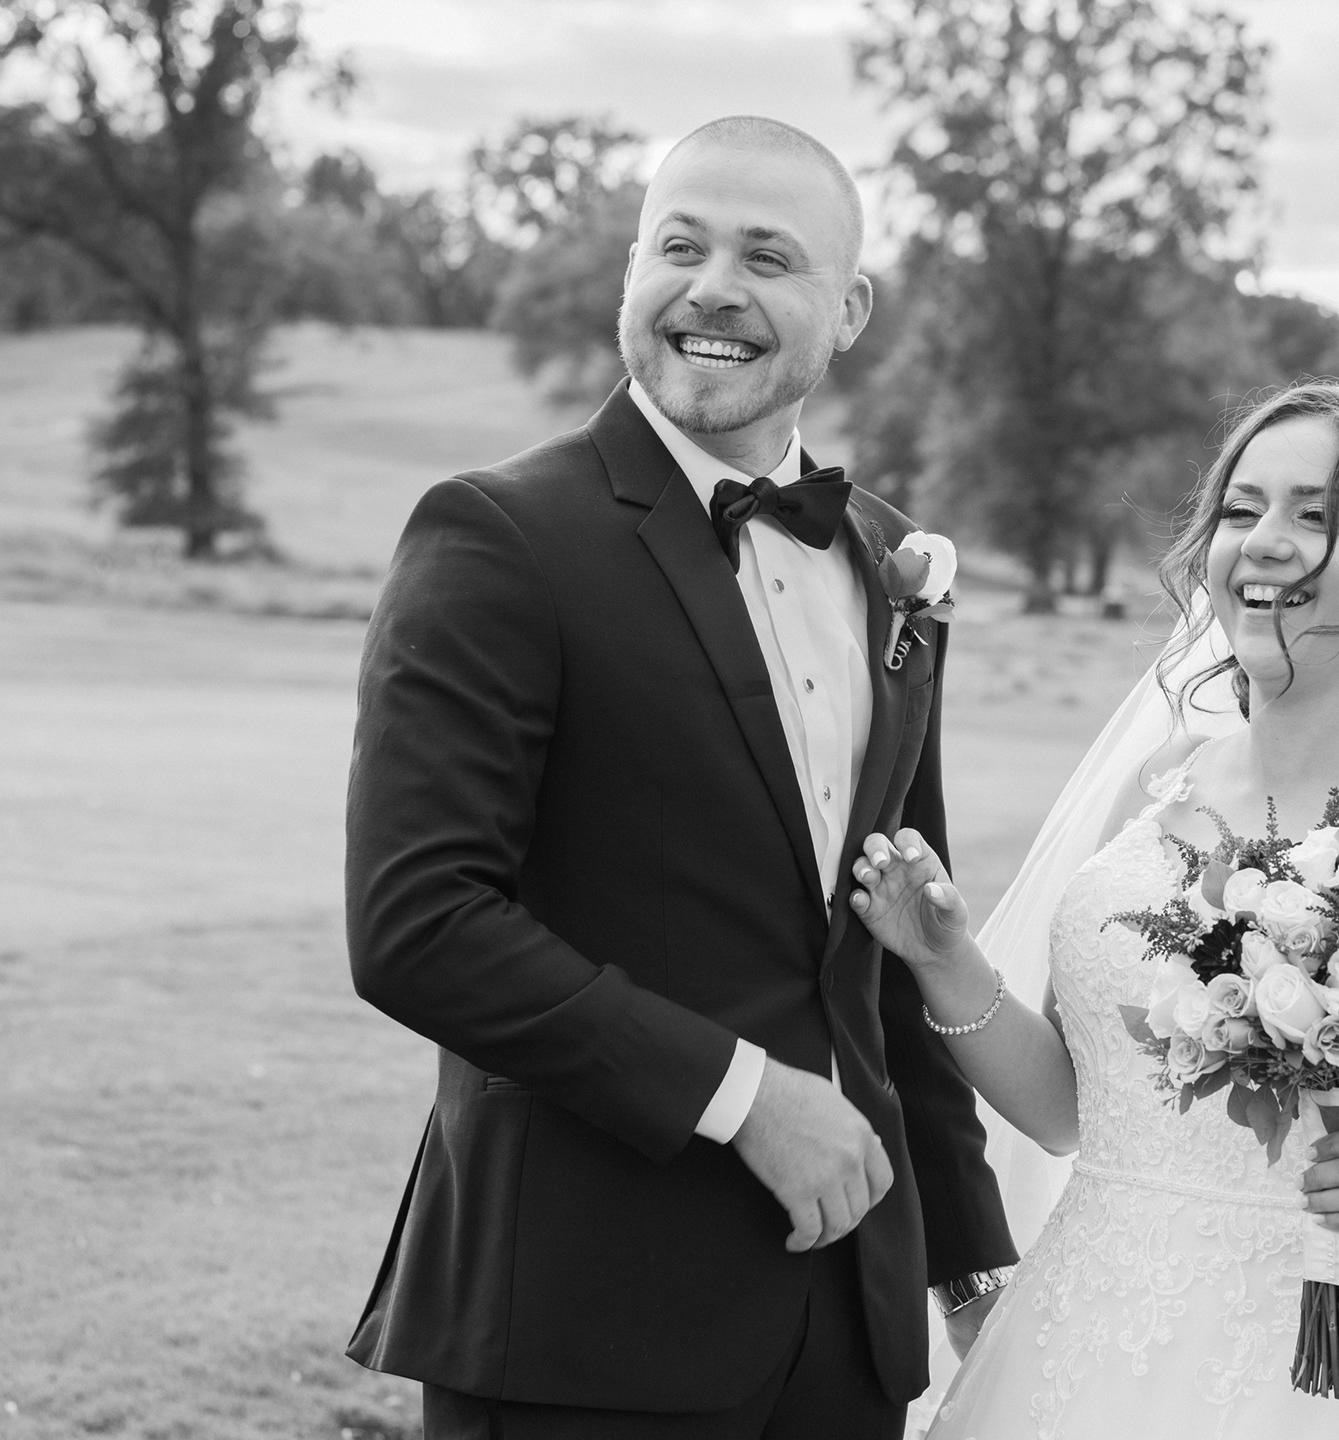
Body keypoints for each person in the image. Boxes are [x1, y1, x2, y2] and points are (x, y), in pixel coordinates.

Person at [342, 116, 1017, 1440]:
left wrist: (967, 1263)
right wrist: (744, 1096)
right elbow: (417, 926)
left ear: (850, 309)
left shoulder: (889, 564)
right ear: (633, 271)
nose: (714, 288)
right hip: (577, 1329)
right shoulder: (497, 534)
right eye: (681, 246)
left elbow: (896, 934)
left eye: (768, 257)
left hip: (847, 1329)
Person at [851, 382, 1339, 1437]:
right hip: (1089, 1338)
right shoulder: (1158, 784)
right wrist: (945, 962)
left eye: (1317, 515)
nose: (1263, 541)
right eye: (1242, 509)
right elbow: (1075, 1109)